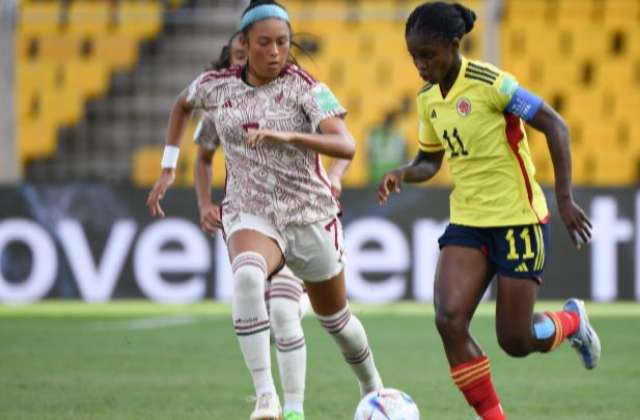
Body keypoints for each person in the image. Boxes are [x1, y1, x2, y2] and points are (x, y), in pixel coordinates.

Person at [147, 1, 383, 419]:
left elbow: (345, 144)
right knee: (248, 275)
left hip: (309, 213)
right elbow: (181, 106)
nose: (275, 52)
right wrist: (168, 166)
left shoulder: (306, 87)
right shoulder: (215, 87)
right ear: (244, 43)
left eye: (283, 43)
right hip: (250, 211)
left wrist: (289, 136)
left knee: (338, 323)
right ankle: (267, 399)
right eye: (264, 43)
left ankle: (373, 388)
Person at [378, 3, 601, 419]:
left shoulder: (492, 84)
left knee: (515, 341)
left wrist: (565, 199)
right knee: (448, 319)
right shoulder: (428, 99)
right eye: (414, 57)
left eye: (428, 55)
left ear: (453, 44)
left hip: (518, 220)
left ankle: (571, 321)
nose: (421, 66)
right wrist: (403, 172)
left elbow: (556, 125)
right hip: (468, 222)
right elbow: (431, 160)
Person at [365, 111, 407, 185]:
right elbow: (369, 153)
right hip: (378, 172)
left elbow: (404, 153)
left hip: (386, 171)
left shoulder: (397, 134)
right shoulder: (375, 133)